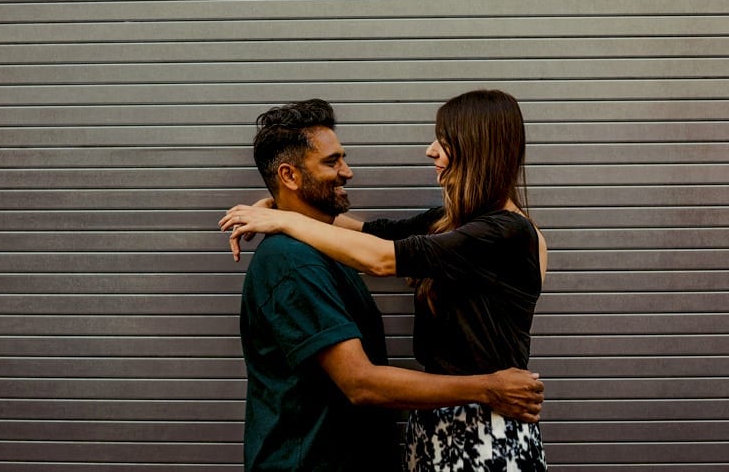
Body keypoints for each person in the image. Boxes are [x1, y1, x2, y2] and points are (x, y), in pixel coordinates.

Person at [222, 90, 548, 471]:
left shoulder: (505, 233)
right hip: (436, 424)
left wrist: (284, 218)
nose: (430, 150)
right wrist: (280, 204)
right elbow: (367, 233)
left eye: (443, 141)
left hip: (485, 430)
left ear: (477, 148)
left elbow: (380, 258)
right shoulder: (448, 223)